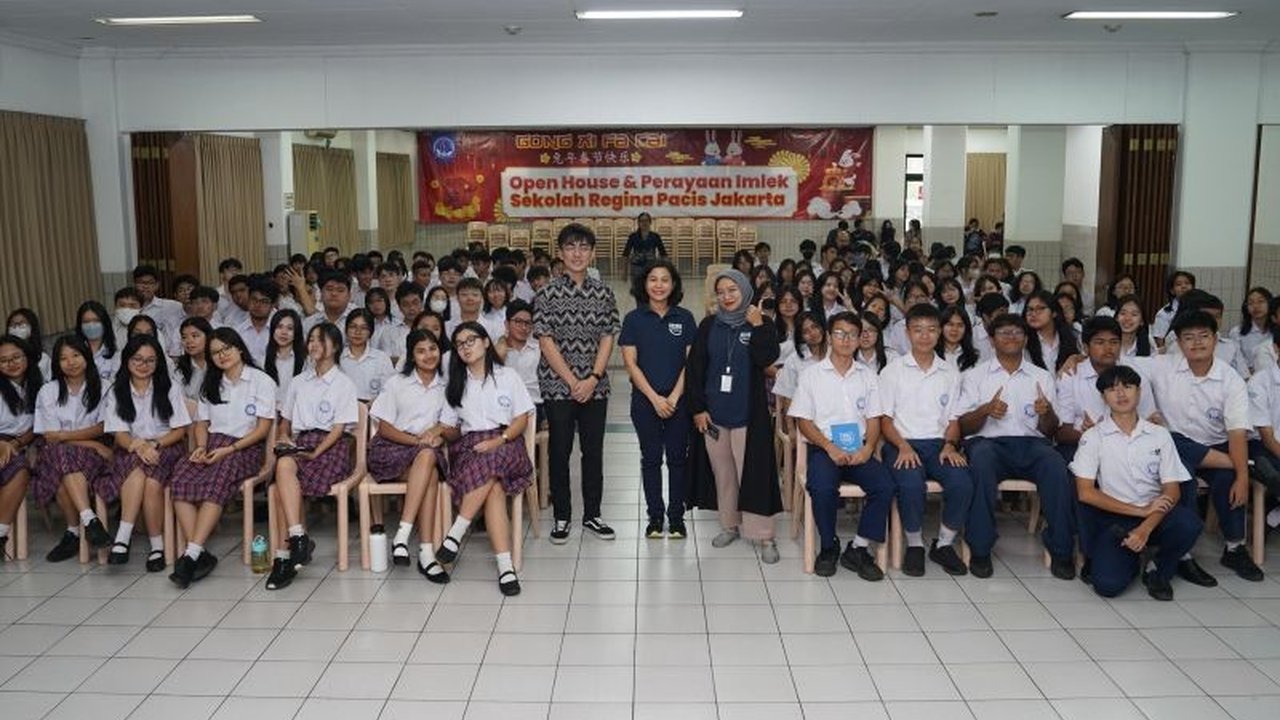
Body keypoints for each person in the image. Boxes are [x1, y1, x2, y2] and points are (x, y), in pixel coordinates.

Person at [956, 314, 1076, 580]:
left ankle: (1061, 550)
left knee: (1056, 465)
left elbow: (1051, 430)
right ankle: (980, 548)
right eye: (1004, 333)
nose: (1011, 338)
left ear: (1025, 338)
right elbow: (963, 426)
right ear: (991, 339)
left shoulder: (1042, 377)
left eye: (1017, 333)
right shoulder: (975, 376)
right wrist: (985, 410)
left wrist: (1046, 413)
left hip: (1032, 444)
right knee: (981, 463)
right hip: (988, 443)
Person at [1149, 310, 1264, 583]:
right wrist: (1074, 358)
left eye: (1204, 336)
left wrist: (1241, 477)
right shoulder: (1161, 365)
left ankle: (1234, 548)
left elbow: (1237, 433)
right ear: (1177, 342)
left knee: (1228, 478)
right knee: (1181, 467)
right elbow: (1117, 360)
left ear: (1216, 339)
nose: (1197, 343)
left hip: (1216, 444)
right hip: (1174, 447)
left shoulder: (1230, 379)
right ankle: (1183, 554)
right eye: (1188, 338)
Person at [1073, 365, 1202, 600]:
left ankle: (1158, 568)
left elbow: (1172, 491)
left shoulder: (1159, 434)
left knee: (1189, 523)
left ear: (1139, 392)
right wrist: (1138, 511)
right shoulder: (1093, 437)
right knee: (1107, 586)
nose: (1121, 394)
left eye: (1127, 387)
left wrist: (1145, 527)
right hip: (1116, 519)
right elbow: (1086, 493)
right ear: (1103, 397)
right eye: (1113, 389)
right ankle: (1129, 560)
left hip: (1157, 515)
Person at [167, 328, 275, 588]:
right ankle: (199, 553)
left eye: (226, 348)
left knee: (217, 480)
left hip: (245, 449)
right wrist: (201, 447)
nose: (222, 355)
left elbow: (262, 430)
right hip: (213, 443)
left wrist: (231, 449)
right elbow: (202, 423)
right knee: (180, 478)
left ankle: (191, 555)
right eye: (215, 352)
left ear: (239, 348)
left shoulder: (261, 381)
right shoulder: (211, 383)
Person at [788, 311, 893, 578]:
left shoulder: (868, 376)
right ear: (829, 336)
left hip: (860, 449)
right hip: (825, 448)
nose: (846, 339)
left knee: (885, 485)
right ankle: (828, 545)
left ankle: (858, 548)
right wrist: (829, 447)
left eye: (852, 335)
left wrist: (868, 449)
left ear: (860, 339)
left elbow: (874, 418)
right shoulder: (812, 375)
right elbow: (804, 421)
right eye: (839, 333)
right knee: (822, 487)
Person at [535, 224, 621, 544]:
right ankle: (562, 516)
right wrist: (574, 381)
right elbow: (545, 341)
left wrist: (593, 378)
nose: (577, 253)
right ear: (560, 253)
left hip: (595, 385)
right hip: (558, 386)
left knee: (593, 451)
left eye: (583, 247)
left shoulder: (604, 293)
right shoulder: (546, 293)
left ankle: (593, 515)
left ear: (592, 252)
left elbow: (607, 337)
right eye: (570, 247)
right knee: (560, 451)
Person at [689, 269, 782, 563]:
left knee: (753, 475)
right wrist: (698, 409)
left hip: (748, 415)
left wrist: (758, 326)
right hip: (715, 415)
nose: (727, 297)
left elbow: (767, 358)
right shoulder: (708, 326)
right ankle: (730, 525)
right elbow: (695, 369)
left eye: (733, 290)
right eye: (721, 292)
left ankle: (764, 536)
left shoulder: (759, 323)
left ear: (744, 291)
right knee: (724, 474)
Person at [436, 322, 535, 596]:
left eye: (471, 340)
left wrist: (498, 440)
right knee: (493, 486)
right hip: (469, 447)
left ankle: (456, 533)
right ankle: (505, 567)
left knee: (493, 461)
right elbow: (452, 430)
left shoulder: (507, 376)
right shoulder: (455, 384)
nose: (466, 347)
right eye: (460, 343)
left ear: (486, 342)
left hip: (507, 442)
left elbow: (521, 419)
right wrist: (439, 431)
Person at [877, 304, 972, 576]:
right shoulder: (892, 372)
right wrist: (903, 446)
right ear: (907, 332)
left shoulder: (949, 373)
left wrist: (950, 445)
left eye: (931, 330)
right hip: (902, 442)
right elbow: (885, 419)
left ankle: (943, 543)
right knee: (910, 482)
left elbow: (953, 420)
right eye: (918, 330)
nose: (925, 336)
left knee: (963, 481)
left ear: (940, 332)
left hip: (938, 444)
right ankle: (915, 544)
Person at [264, 323, 360, 590]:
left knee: (280, 485)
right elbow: (286, 421)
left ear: (336, 346)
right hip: (301, 444)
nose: (314, 344)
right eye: (311, 340)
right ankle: (296, 540)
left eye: (321, 340)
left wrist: (317, 451)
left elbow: (340, 428)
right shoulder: (298, 381)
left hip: (332, 446)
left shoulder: (344, 383)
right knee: (283, 466)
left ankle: (286, 555)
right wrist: (284, 435)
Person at [367, 328, 457, 581]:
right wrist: (417, 441)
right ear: (411, 355)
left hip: (424, 454)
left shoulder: (447, 386)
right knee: (427, 466)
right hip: (392, 448)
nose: (428, 355)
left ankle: (403, 536)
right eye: (421, 350)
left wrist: (438, 432)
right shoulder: (397, 383)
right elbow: (384, 427)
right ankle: (426, 553)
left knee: (427, 460)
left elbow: (452, 429)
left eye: (432, 348)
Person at [620, 260, 696, 539]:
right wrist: (654, 399)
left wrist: (674, 397)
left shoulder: (685, 318)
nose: (659, 285)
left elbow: (691, 363)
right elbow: (631, 364)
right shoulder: (633, 319)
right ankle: (654, 518)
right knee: (650, 459)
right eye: (653, 279)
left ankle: (676, 518)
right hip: (645, 402)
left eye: (665, 279)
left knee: (678, 459)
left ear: (673, 285)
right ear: (644, 284)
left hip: (679, 401)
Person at [102, 335, 191, 570]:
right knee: (140, 471)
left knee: (150, 481)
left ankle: (127, 538)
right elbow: (119, 434)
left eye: (150, 361)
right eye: (138, 359)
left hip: (166, 447)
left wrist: (155, 445)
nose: (144, 365)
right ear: (127, 361)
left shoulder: (169, 387)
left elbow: (180, 430)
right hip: (130, 448)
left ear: (158, 362)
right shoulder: (116, 390)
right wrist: (139, 446)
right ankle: (155, 546)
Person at [33, 336, 113, 561]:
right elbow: (50, 437)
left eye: (76, 355)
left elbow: (103, 427)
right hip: (60, 450)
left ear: (86, 356)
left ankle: (73, 532)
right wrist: (92, 443)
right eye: (63, 358)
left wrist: (66, 436)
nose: (71, 362)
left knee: (61, 474)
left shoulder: (105, 386)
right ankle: (89, 520)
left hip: (93, 457)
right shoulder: (48, 391)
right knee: (60, 455)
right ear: (57, 364)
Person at [0, 335, 40, 555]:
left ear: (27, 357)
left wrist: (14, 443)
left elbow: (39, 426)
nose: (11, 363)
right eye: (4, 360)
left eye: (16, 357)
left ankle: (0, 532)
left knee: (20, 470)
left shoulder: (40, 387)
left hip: (22, 443)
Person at [341, 310, 396, 402]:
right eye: (353, 327)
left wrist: (370, 406)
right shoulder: (337, 357)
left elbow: (389, 391)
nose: (358, 332)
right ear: (346, 330)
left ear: (371, 332)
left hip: (374, 410)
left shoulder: (381, 358)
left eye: (364, 328)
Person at [262, 310, 305, 412]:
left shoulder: (306, 360)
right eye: (279, 327)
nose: (284, 332)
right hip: (270, 413)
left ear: (296, 332)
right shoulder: (262, 359)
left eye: (290, 328)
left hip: (297, 413)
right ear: (272, 330)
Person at [1232, 287, 1274, 373]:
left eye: (1261, 301)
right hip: (1245, 378)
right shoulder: (1237, 332)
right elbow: (1237, 359)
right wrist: (1247, 374)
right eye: (1251, 303)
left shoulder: (1276, 331)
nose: (1255, 306)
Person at [75, 300, 119, 384]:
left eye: (96, 320)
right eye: (86, 322)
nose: (91, 325)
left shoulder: (116, 355)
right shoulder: (73, 350)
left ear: (105, 323)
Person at [236, 278, 278, 365]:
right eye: (254, 299)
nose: (258, 305)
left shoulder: (280, 331)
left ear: (273, 305)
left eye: (264, 301)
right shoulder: (238, 331)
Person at [622, 212, 668, 284]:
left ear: (650, 222)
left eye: (646, 221)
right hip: (636, 267)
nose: (644, 223)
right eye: (642, 221)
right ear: (638, 223)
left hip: (651, 267)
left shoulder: (655, 236)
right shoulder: (633, 237)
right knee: (638, 292)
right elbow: (625, 255)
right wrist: (624, 273)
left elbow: (663, 254)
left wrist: (664, 271)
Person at [1152, 270, 1195, 344]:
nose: (1184, 286)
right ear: (1172, 290)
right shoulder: (1164, 313)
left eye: (1187, 283)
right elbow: (1160, 341)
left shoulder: (1200, 308)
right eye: (1179, 284)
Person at [6, 309, 51, 380]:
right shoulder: (3, 357)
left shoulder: (43, 358)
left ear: (32, 327)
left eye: (21, 324)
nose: (17, 327)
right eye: (13, 324)